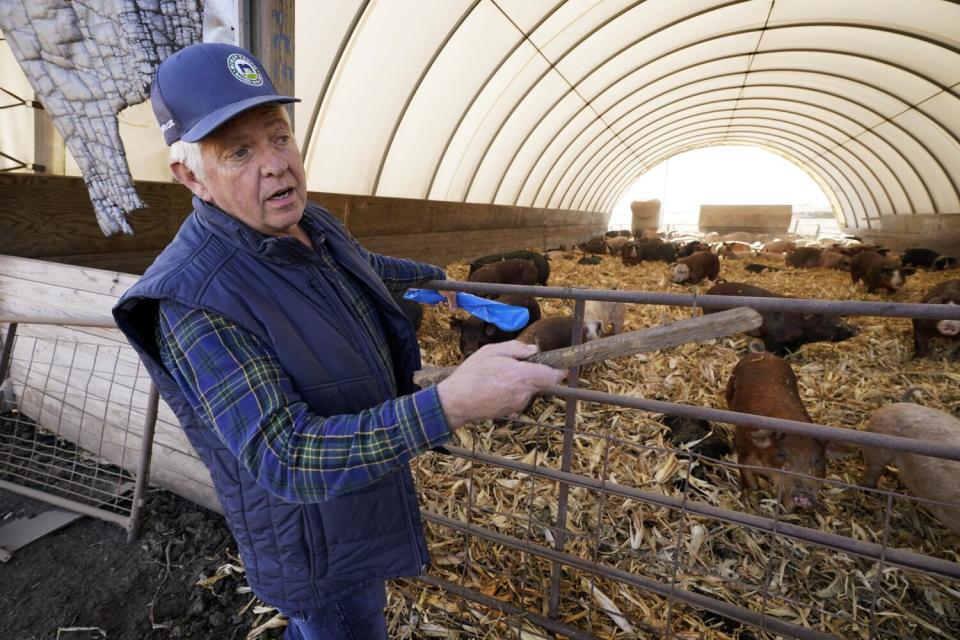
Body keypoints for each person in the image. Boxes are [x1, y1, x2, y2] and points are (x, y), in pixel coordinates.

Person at [112, 42, 564, 639]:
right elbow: (285, 455)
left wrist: (442, 281)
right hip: (314, 547)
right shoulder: (194, 301)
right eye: (239, 152)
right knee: (343, 623)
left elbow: (362, 262)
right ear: (190, 176)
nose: (274, 164)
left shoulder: (306, 223)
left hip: (354, 507)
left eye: (278, 136)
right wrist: (450, 403)